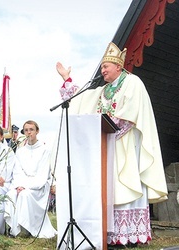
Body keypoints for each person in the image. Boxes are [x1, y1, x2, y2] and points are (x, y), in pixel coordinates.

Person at [56, 42, 168, 246]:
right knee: (109, 189)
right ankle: (111, 236)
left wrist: (110, 128)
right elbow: (81, 99)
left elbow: (130, 114)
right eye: (101, 67)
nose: (103, 70)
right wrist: (67, 80)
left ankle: (128, 237)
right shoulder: (103, 90)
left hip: (125, 146)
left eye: (106, 66)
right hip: (107, 148)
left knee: (126, 185)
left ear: (118, 66)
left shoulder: (133, 82)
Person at [4, 120, 57, 238]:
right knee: (10, 194)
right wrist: (18, 185)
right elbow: (17, 171)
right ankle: (14, 229)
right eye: (26, 130)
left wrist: (25, 186)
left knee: (24, 195)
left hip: (38, 187)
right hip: (21, 184)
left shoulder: (45, 150)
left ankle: (26, 229)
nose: (29, 133)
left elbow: (42, 174)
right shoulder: (20, 150)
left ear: (37, 131)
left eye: (31, 130)